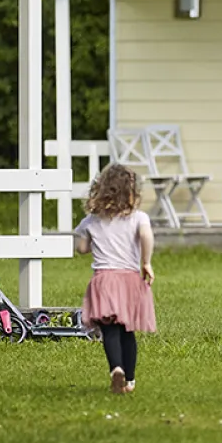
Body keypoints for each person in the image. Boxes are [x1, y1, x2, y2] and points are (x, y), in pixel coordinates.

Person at [75, 163, 157, 394]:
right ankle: (129, 381)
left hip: (104, 280)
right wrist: (146, 262)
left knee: (110, 331)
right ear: (132, 192)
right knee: (127, 331)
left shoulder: (92, 220)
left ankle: (116, 370)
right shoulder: (138, 218)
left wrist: (92, 242)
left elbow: (81, 248)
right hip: (129, 280)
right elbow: (146, 236)